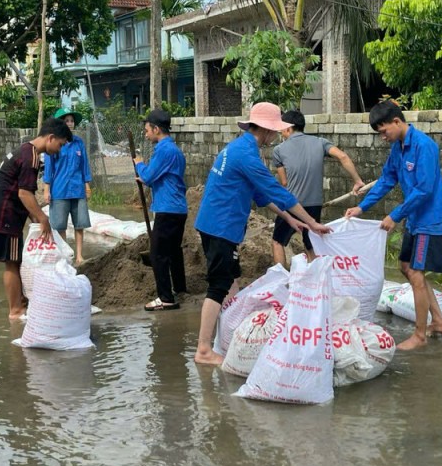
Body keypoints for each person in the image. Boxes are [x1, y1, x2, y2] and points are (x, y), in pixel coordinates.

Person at [193, 102, 333, 365]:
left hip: (217, 225)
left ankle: (228, 334)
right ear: (266, 130)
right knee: (219, 285)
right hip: (221, 226)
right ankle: (203, 349)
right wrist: (312, 223)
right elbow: (279, 192)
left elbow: (260, 194)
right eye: (274, 131)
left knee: (232, 280)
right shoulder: (246, 156)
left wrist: (289, 219)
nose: (276, 136)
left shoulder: (240, 149)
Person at [345, 100, 442, 351]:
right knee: (406, 267)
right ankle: (438, 321)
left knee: (416, 273)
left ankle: (420, 335)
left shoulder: (424, 146)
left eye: (383, 131)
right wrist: (362, 207)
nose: (382, 137)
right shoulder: (398, 148)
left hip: (429, 219)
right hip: (415, 218)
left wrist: (394, 215)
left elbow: (424, 190)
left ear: (397, 121)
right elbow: (386, 180)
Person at [0, 118, 72, 320]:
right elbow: (24, 194)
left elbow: (22, 194)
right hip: (5, 216)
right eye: (60, 144)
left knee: (14, 260)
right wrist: (42, 218)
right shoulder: (31, 157)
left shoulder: (24, 150)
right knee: (12, 262)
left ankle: (20, 303)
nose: (60, 150)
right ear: (50, 138)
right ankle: (15, 310)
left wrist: (36, 220)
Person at [271, 109, 365, 266]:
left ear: (288, 128)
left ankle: (280, 282)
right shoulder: (320, 142)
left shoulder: (279, 150)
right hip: (314, 205)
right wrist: (357, 181)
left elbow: (284, 183)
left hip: (292, 204)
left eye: (282, 128)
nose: (281, 132)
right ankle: (314, 281)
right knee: (310, 244)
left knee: (277, 242)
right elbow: (343, 156)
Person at [133, 108, 188, 311]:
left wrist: (139, 165)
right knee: (173, 251)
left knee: (158, 254)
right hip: (176, 208)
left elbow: (148, 176)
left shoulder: (164, 151)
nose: (146, 134)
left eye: (147, 130)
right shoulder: (174, 150)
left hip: (168, 209)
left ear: (156, 129)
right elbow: (159, 176)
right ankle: (180, 287)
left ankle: (166, 297)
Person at [41, 108, 92, 266]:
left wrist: (87, 185)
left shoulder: (79, 143)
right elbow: (49, 168)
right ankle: (64, 255)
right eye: (66, 121)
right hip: (60, 190)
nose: (70, 123)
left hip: (77, 189)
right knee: (60, 225)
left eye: (71, 120)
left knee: (80, 224)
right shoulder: (56, 144)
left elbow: (84, 166)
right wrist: (46, 189)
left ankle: (79, 256)